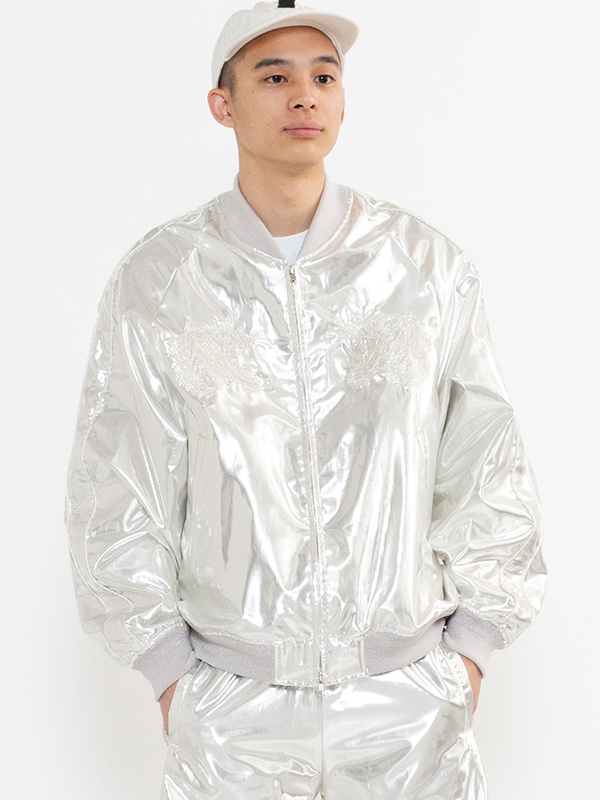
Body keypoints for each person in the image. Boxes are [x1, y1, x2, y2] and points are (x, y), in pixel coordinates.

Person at [65, 2, 546, 798]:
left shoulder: (423, 268)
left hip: (408, 702)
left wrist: (469, 654)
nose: (304, 96)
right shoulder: (161, 283)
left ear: (343, 101)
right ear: (222, 104)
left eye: (325, 77)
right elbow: (116, 483)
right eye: (274, 77)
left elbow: (486, 459)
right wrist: (169, 673)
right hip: (233, 708)